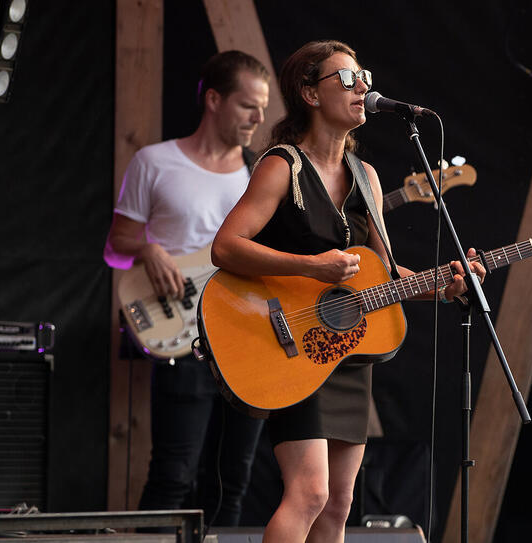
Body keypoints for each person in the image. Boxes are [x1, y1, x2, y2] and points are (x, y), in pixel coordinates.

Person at [210, 39, 484, 542]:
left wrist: (441, 286)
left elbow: (382, 275)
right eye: (348, 79)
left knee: (338, 505)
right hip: (293, 346)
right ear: (310, 94)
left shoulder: (367, 177)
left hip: (346, 356)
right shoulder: (281, 165)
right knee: (309, 494)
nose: (364, 88)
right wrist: (312, 267)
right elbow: (226, 247)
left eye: (366, 78)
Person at [105, 50, 270, 525]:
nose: (259, 118)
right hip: (183, 336)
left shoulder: (260, 174)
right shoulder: (154, 162)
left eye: (262, 108)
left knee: (232, 480)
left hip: (247, 337)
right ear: (214, 99)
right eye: (247, 106)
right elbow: (115, 246)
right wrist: (148, 250)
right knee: (173, 475)